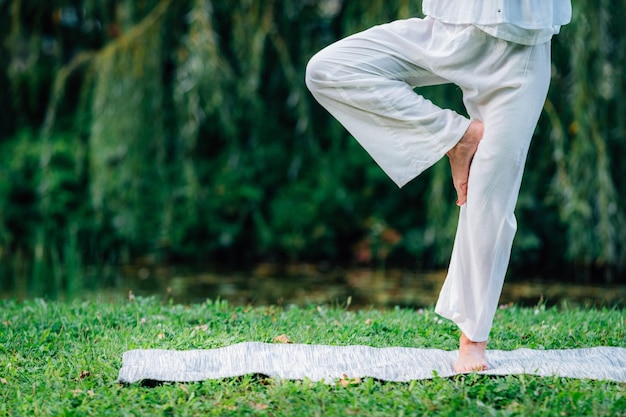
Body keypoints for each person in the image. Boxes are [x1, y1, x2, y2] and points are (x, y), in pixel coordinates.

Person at [305, 1, 572, 373]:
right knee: (328, 69)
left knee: (489, 198)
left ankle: (473, 341)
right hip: (447, 31)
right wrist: (452, 131)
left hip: (521, 52)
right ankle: (457, 137)